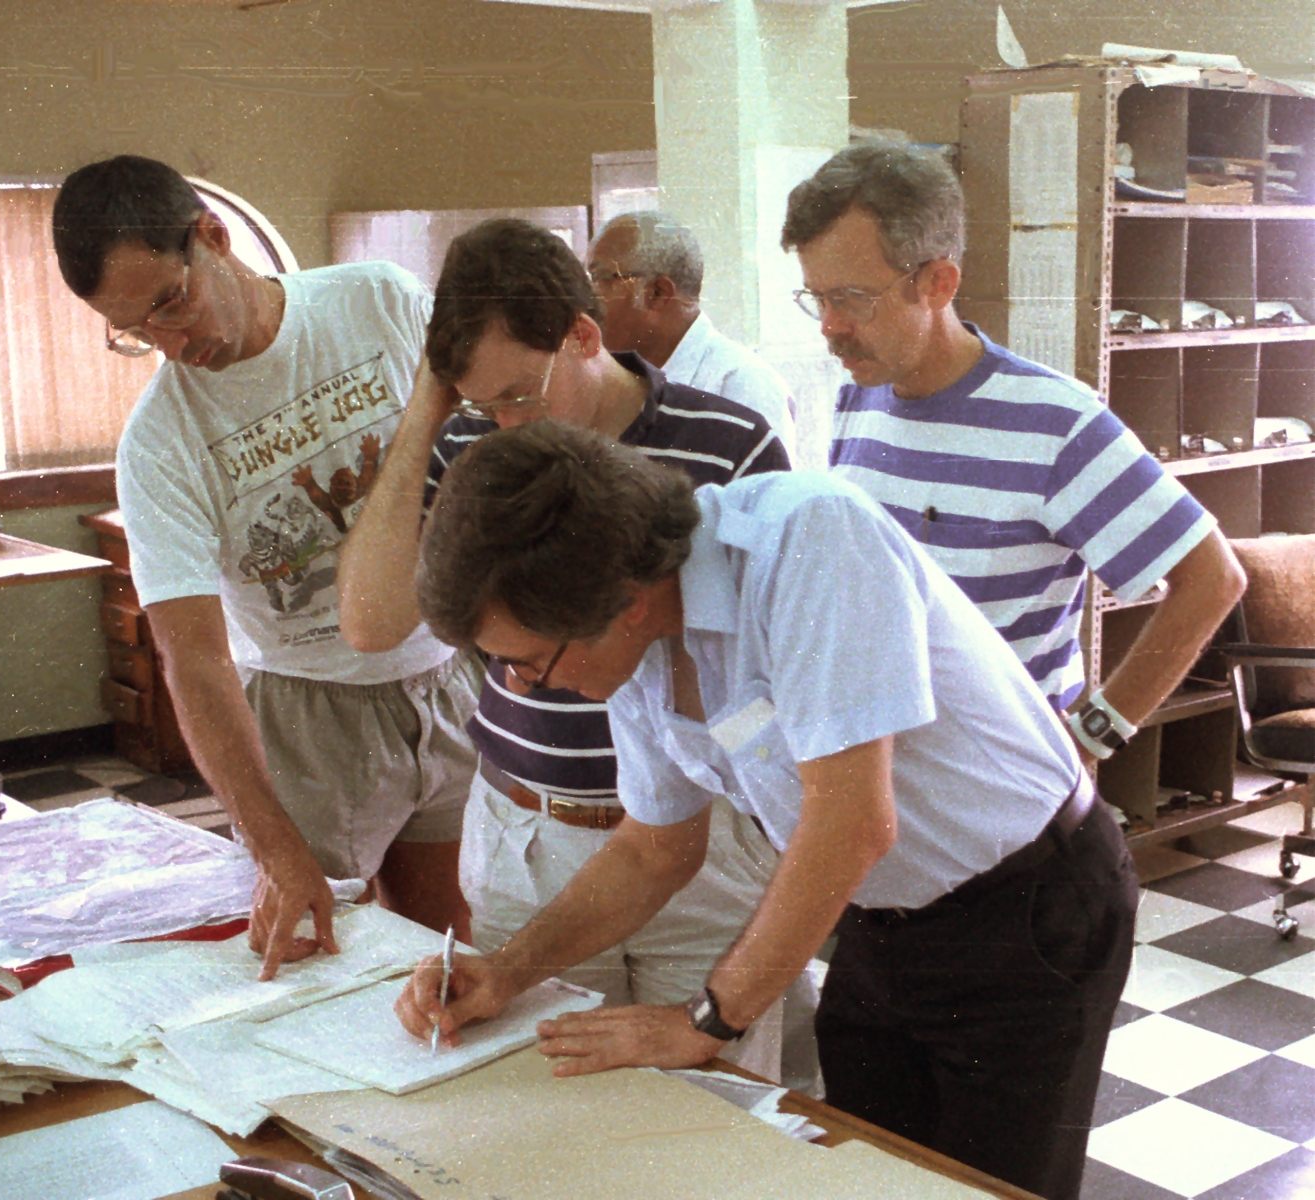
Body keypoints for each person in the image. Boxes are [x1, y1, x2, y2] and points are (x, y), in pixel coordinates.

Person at [394, 421, 1138, 1200]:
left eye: (524, 659)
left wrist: (705, 1020)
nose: (516, 685)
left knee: (983, 1190)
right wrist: (507, 972)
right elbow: (653, 850)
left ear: (624, 602)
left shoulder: (807, 538)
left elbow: (851, 822)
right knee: (873, 1177)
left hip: (1027, 908)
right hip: (883, 917)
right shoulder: (641, 651)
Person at [336, 217, 817, 1087]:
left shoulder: (729, 440)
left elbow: (772, 677)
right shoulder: (473, 445)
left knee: (715, 1106)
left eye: (521, 393)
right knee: (545, 1094)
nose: (508, 425)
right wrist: (427, 414)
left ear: (582, 335)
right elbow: (371, 623)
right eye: (487, 403)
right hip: (534, 829)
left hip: (697, 837)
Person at [50, 155, 480, 979]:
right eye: (135, 332)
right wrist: (274, 844)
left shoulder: (378, 302)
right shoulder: (161, 443)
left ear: (213, 237)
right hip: (308, 716)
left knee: (447, 950)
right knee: (316, 963)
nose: (172, 347)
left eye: (172, 304)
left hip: (446, 675)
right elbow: (195, 658)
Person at [781, 141, 1244, 763]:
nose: (829, 326)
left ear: (938, 283)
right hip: (899, 781)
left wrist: (1092, 737)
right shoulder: (859, 397)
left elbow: (1212, 578)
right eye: (819, 298)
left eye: (852, 299)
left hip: (1008, 798)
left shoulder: (1055, 422)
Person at [588, 210, 797, 453]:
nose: (586, 297)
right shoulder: (616, 382)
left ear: (657, 293)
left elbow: (764, 489)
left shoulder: (742, 385)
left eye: (598, 278)